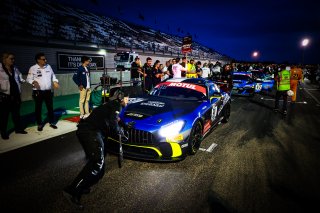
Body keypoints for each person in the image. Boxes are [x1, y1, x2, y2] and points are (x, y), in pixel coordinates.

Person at [63, 90, 129, 209]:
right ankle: (72, 191)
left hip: (89, 131)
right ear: (120, 97)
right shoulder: (116, 105)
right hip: (91, 132)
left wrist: (125, 126)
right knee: (97, 164)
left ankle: (81, 185)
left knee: (99, 167)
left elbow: (116, 119)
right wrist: (121, 132)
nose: (127, 101)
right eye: (127, 98)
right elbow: (114, 123)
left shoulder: (108, 106)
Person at [26, 52, 59, 131]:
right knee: (38, 108)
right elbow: (28, 79)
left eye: (45, 59)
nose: (45, 60)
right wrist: (33, 82)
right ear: (38, 60)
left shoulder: (48, 67)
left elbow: (53, 75)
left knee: (50, 107)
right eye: (43, 59)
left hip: (48, 91)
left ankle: (52, 122)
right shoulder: (33, 68)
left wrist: (55, 81)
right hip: (38, 92)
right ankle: (40, 124)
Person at [0, 52, 27, 140]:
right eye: (11, 59)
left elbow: (19, 78)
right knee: (4, 115)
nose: (13, 60)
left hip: (16, 95)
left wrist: (24, 80)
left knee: (16, 114)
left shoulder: (15, 68)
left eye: (13, 59)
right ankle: (3, 132)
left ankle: (18, 129)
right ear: (5, 59)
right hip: (5, 96)